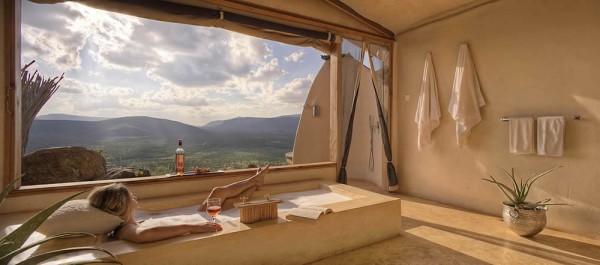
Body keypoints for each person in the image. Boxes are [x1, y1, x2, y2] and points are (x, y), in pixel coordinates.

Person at [87, 165, 269, 243]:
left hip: (191, 215)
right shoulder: (124, 230)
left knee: (220, 195)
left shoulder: (131, 219)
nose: (135, 198)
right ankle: (255, 181)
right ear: (121, 205)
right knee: (224, 198)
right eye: (130, 197)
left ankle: (255, 181)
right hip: (194, 220)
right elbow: (144, 235)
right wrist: (193, 227)